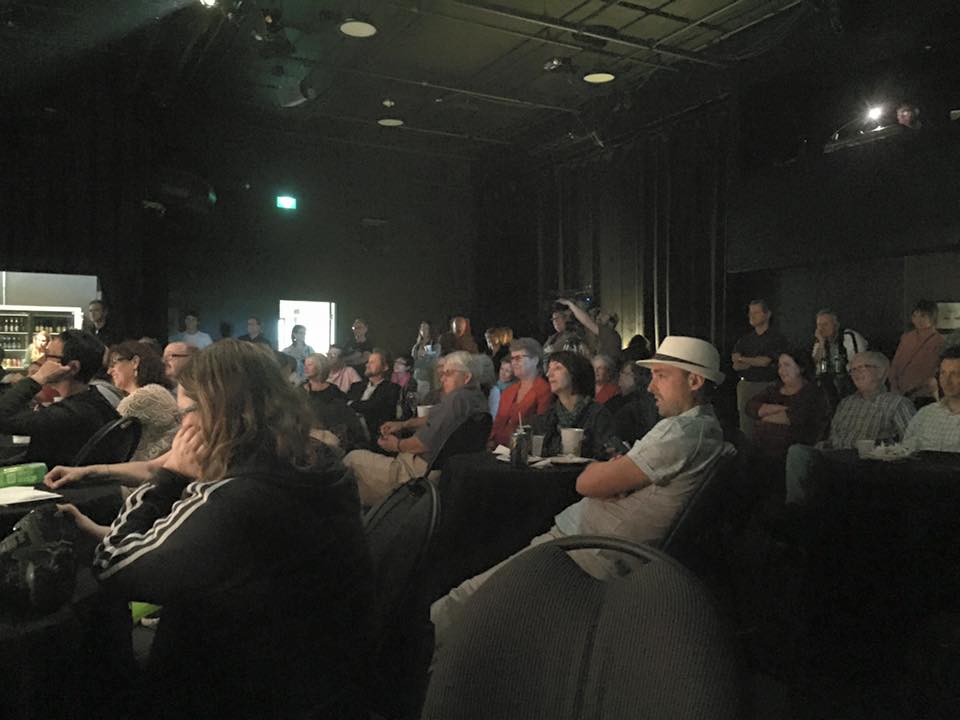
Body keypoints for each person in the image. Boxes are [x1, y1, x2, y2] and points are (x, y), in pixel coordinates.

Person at [68, 339, 374, 718]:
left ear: (220, 411)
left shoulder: (236, 498)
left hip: (242, 693)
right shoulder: (318, 464)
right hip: (317, 678)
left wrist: (170, 477)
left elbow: (114, 567)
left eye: (186, 412)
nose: (182, 426)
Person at [431, 336, 727, 647]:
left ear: (694, 381)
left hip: (588, 549)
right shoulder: (703, 430)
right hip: (590, 543)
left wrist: (608, 474)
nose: (651, 387)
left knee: (465, 599)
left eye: (662, 376)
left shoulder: (681, 433)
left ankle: (421, 657)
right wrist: (618, 474)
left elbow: (585, 484)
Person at [343, 351, 488, 506]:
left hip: (417, 474)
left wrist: (397, 445)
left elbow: (423, 444)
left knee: (352, 458)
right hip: (444, 471)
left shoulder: (456, 400)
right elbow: (434, 418)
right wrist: (403, 424)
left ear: (466, 377)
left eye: (448, 373)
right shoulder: (476, 398)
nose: (442, 378)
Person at [784, 351, 916, 505]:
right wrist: (823, 445)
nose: (856, 373)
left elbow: (911, 445)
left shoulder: (898, 404)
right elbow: (833, 438)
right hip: (834, 459)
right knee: (798, 452)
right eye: (853, 369)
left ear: (881, 372)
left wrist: (885, 450)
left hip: (867, 465)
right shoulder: (846, 403)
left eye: (863, 367)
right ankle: (796, 508)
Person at [0, 330, 119, 467]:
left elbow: (2, 418)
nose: (42, 362)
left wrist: (37, 379)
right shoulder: (96, 400)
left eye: (48, 356)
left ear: (73, 367)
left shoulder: (68, 414)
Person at [746, 349, 831, 462]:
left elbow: (795, 417)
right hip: (763, 449)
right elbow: (750, 406)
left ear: (801, 368)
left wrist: (764, 416)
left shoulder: (813, 392)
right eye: (780, 366)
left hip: (796, 448)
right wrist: (779, 409)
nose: (782, 370)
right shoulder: (774, 389)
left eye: (787, 365)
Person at [534, 351, 616, 459]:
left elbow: (611, 452)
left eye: (557, 368)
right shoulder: (549, 417)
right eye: (549, 369)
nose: (549, 374)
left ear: (574, 373)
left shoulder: (597, 414)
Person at [108, 341, 178, 461]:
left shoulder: (142, 397)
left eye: (113, 364)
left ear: (135, 362)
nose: (109, 371)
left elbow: (109, 442)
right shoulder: (156, 390)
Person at [731, 299, 787, 437]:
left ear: (767, 314)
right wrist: (753, 361)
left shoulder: (776, 338)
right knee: (746, 425)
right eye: (750, 313)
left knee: (767, 424)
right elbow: (735, 364)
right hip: (746, 385)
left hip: (767, 385)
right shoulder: (745, 340)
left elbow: (764, 361)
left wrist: (744, 359)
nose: (752, 316)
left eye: (756, 312)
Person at [488, 337, 552, 447]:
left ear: (535, 360)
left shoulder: (544, 390)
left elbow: (541, 430)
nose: (513, 363)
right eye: (512, 358)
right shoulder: (509, 391)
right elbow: (497, 424)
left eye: (518, 358)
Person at [302, 353, 366, 452]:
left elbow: (345, 410)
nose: (305, 368)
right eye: (305, 365)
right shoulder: (300, 390)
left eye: (310, 365)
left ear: (320, 366)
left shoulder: (333, 389)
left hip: (333, 433)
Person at [902, 345, 960, 452]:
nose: (946, 381)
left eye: (955, 374)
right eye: (943, 373)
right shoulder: (926, 413)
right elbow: (905, 451)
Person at [889, 300, 944, 407]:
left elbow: (933, 370)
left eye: (923, 316)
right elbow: (895, 364)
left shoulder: (939, 341)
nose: (918, 320)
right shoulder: (906, 337)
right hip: (899, 392)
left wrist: (914, 389)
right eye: (915, 316)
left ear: (932, 317)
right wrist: (894, 385)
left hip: (923, 394)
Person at [348, 349, 401, 445]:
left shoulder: (392, 389)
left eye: (372, 362)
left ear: (385, 367)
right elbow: (344, 405)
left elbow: (373, 406)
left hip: (375, 437)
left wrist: (352, 404)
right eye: (368, 362)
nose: (367, 365)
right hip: (351, 435)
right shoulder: (356, 386)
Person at [606, 360, 659, 446]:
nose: (620, 376)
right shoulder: (615, 400)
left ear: (637, 377)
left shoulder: (639, 405)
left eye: (624, 373)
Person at [556, 298, 622, 361]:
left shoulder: (610, 335)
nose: (599, 316)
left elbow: (587, 321)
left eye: (600, 318)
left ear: (610, 322)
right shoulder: (600, 337)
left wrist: (570, 304)